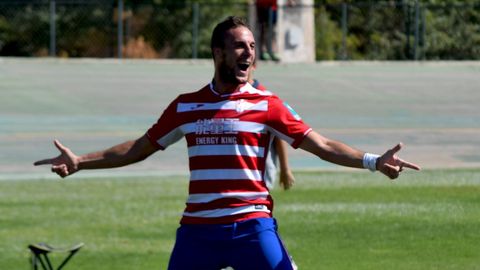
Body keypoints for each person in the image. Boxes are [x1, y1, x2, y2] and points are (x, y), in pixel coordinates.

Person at [34, 16, 420, 270]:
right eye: (239, 46)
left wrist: (372, 160)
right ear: (218, 52)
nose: (248, 54)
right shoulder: (186, 105)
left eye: (251, 47)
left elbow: (320, 144)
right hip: (197, 231)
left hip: (252, 227)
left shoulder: (267, 104)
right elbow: (137, 148)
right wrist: (81, 161)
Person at [248, 60, 295, 190]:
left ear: (254, 66)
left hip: (261, 168)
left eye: (247, 65)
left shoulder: (265, 98)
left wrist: (285, 168)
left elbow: (279, 137)